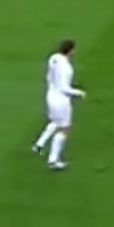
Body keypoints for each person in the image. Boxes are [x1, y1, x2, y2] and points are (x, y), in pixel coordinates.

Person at [32, 39, 85, 170]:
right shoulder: (67, 68)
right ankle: (53, 160)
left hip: (50, 96)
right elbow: (64, 88)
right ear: (70, 51)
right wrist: (79, 93)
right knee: (65, 129)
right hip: (61, 101)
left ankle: (39, 144)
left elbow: (49, 77)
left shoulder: (54, 58)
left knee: (55, 122)